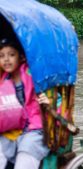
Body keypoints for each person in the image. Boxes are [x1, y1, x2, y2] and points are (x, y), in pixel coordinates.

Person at [0, 38, 50, 169]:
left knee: (25, 156)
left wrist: (46, 100)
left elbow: (51, 94)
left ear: (20, 57)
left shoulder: (32, 73)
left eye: (11, 55)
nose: (6, 59)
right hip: (12, 128)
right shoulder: (3, 78)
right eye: (1, 56)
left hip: (36, 128)